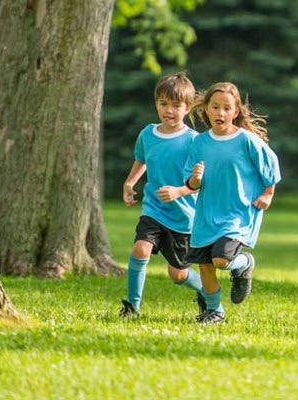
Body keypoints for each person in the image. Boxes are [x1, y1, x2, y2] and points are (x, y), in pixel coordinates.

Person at [182, 82, 281, 325]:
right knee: (205, 266)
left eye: (227, 108)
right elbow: (191, 184)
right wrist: (194, 179)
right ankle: (215, 312)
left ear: (235, 112)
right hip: (206, 214)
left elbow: (271, 167)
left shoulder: (246, 140)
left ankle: (244, 263)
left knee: (221, 260)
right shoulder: (199, 143)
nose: (221, 113)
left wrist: (268, 193)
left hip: (237, 214)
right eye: (215, 107)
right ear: (207, 110)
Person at [119, 72, 204, 318]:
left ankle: (205, 291)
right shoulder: (148, 134)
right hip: (153, 209)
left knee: (177, 274)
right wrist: (130, 182)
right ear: (156, 103)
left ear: (187, 108)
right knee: (140, 249)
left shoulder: (193, 141)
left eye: (176, 105)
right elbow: (142, 159)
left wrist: (179, 191)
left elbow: (199, 183)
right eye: (163, 104)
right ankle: (132, 307)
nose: (169, 110)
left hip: (183, 216)